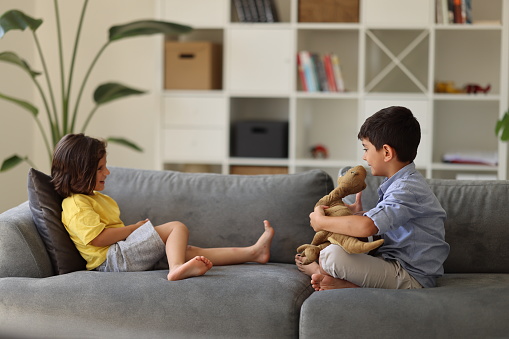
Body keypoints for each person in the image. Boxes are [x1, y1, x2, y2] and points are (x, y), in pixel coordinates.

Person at [51, 133, 275, 281]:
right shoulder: (76, 205)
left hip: (120, 255)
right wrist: (133, 229)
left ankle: (254, 252)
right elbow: (98, 238)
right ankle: (176, 268)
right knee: (176, 228)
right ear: (80, 171)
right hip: (113, 260)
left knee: (187, 251)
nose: (107, 173)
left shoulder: (93, 198)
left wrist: (134, 232)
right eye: (100, 168)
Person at [295, 106, 449, 290]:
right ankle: (335, 277)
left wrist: (321, 222)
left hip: (412, 277)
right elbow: (385, 221)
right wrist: (356, 215)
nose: (364, 156)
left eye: (366, 149)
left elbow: (368, 227)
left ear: (386, 152)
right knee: (334, 250)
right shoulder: (398, 184)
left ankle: (341, 282)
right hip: (391, 263)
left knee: (330, 255)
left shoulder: (407, 188)